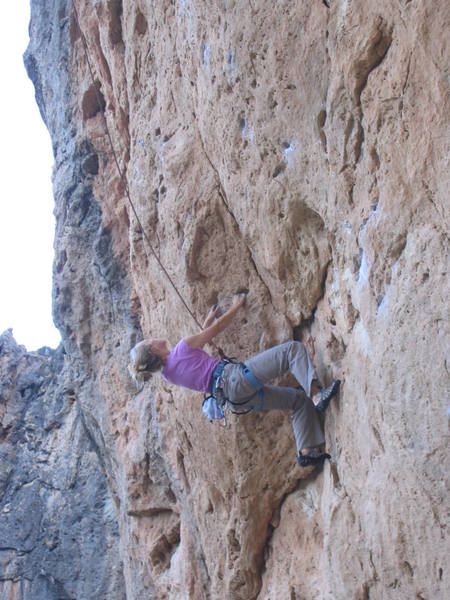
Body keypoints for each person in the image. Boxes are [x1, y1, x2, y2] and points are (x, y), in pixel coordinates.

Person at [129, 293, 340, 468]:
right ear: (153, 349)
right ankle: (316, 395)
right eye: (148, 341)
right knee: (292, 351)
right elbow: (216, 330)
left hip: (235, 399)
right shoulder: (182, 348)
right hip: (234, 379)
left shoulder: (168, 374)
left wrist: (208, 321)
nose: (151, 338)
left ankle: (307, 450)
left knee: (296, 401)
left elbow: (197, 345)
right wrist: (237, 306)